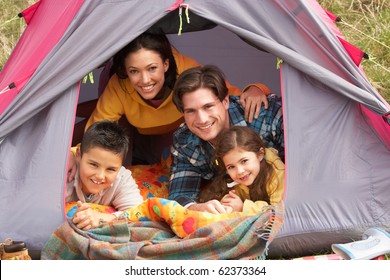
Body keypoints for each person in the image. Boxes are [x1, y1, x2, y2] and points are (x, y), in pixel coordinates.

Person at [69, 31, 271, 175]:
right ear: (126, 71)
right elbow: (96, 128)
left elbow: (226, 97)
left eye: (151, 68)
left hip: (175, 130)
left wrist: (257, 88)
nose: (145, 80)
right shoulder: (119, 86)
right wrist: (72, 154)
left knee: (169, 163)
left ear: (165, 64)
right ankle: (67, 118)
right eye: (134, 71)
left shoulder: (187, 71)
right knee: (98, 133)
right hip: (134, 126)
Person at [169, 65, 284, 214]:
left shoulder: (265, 116)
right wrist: (197, 208)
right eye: (190, 111)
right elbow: (179, 195)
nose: (202, 119)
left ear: (225, 102)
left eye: (208, 106)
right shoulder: (185, 140)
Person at [66, 120, 143, 230]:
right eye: (93, 164)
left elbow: (138, 213)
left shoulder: (121, 178)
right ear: (78, 154)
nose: (100, 176)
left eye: (111, 169)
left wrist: (101, 218)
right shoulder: (66, 172)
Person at [198, 126, 284, 214]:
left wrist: (243, 207)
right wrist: (227, 204)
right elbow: (234, 202)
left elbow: (280, 211)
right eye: (231, 167)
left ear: (260, 155)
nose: (239, 171)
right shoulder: (235, 178)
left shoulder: (277, 174)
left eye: (244, 161)